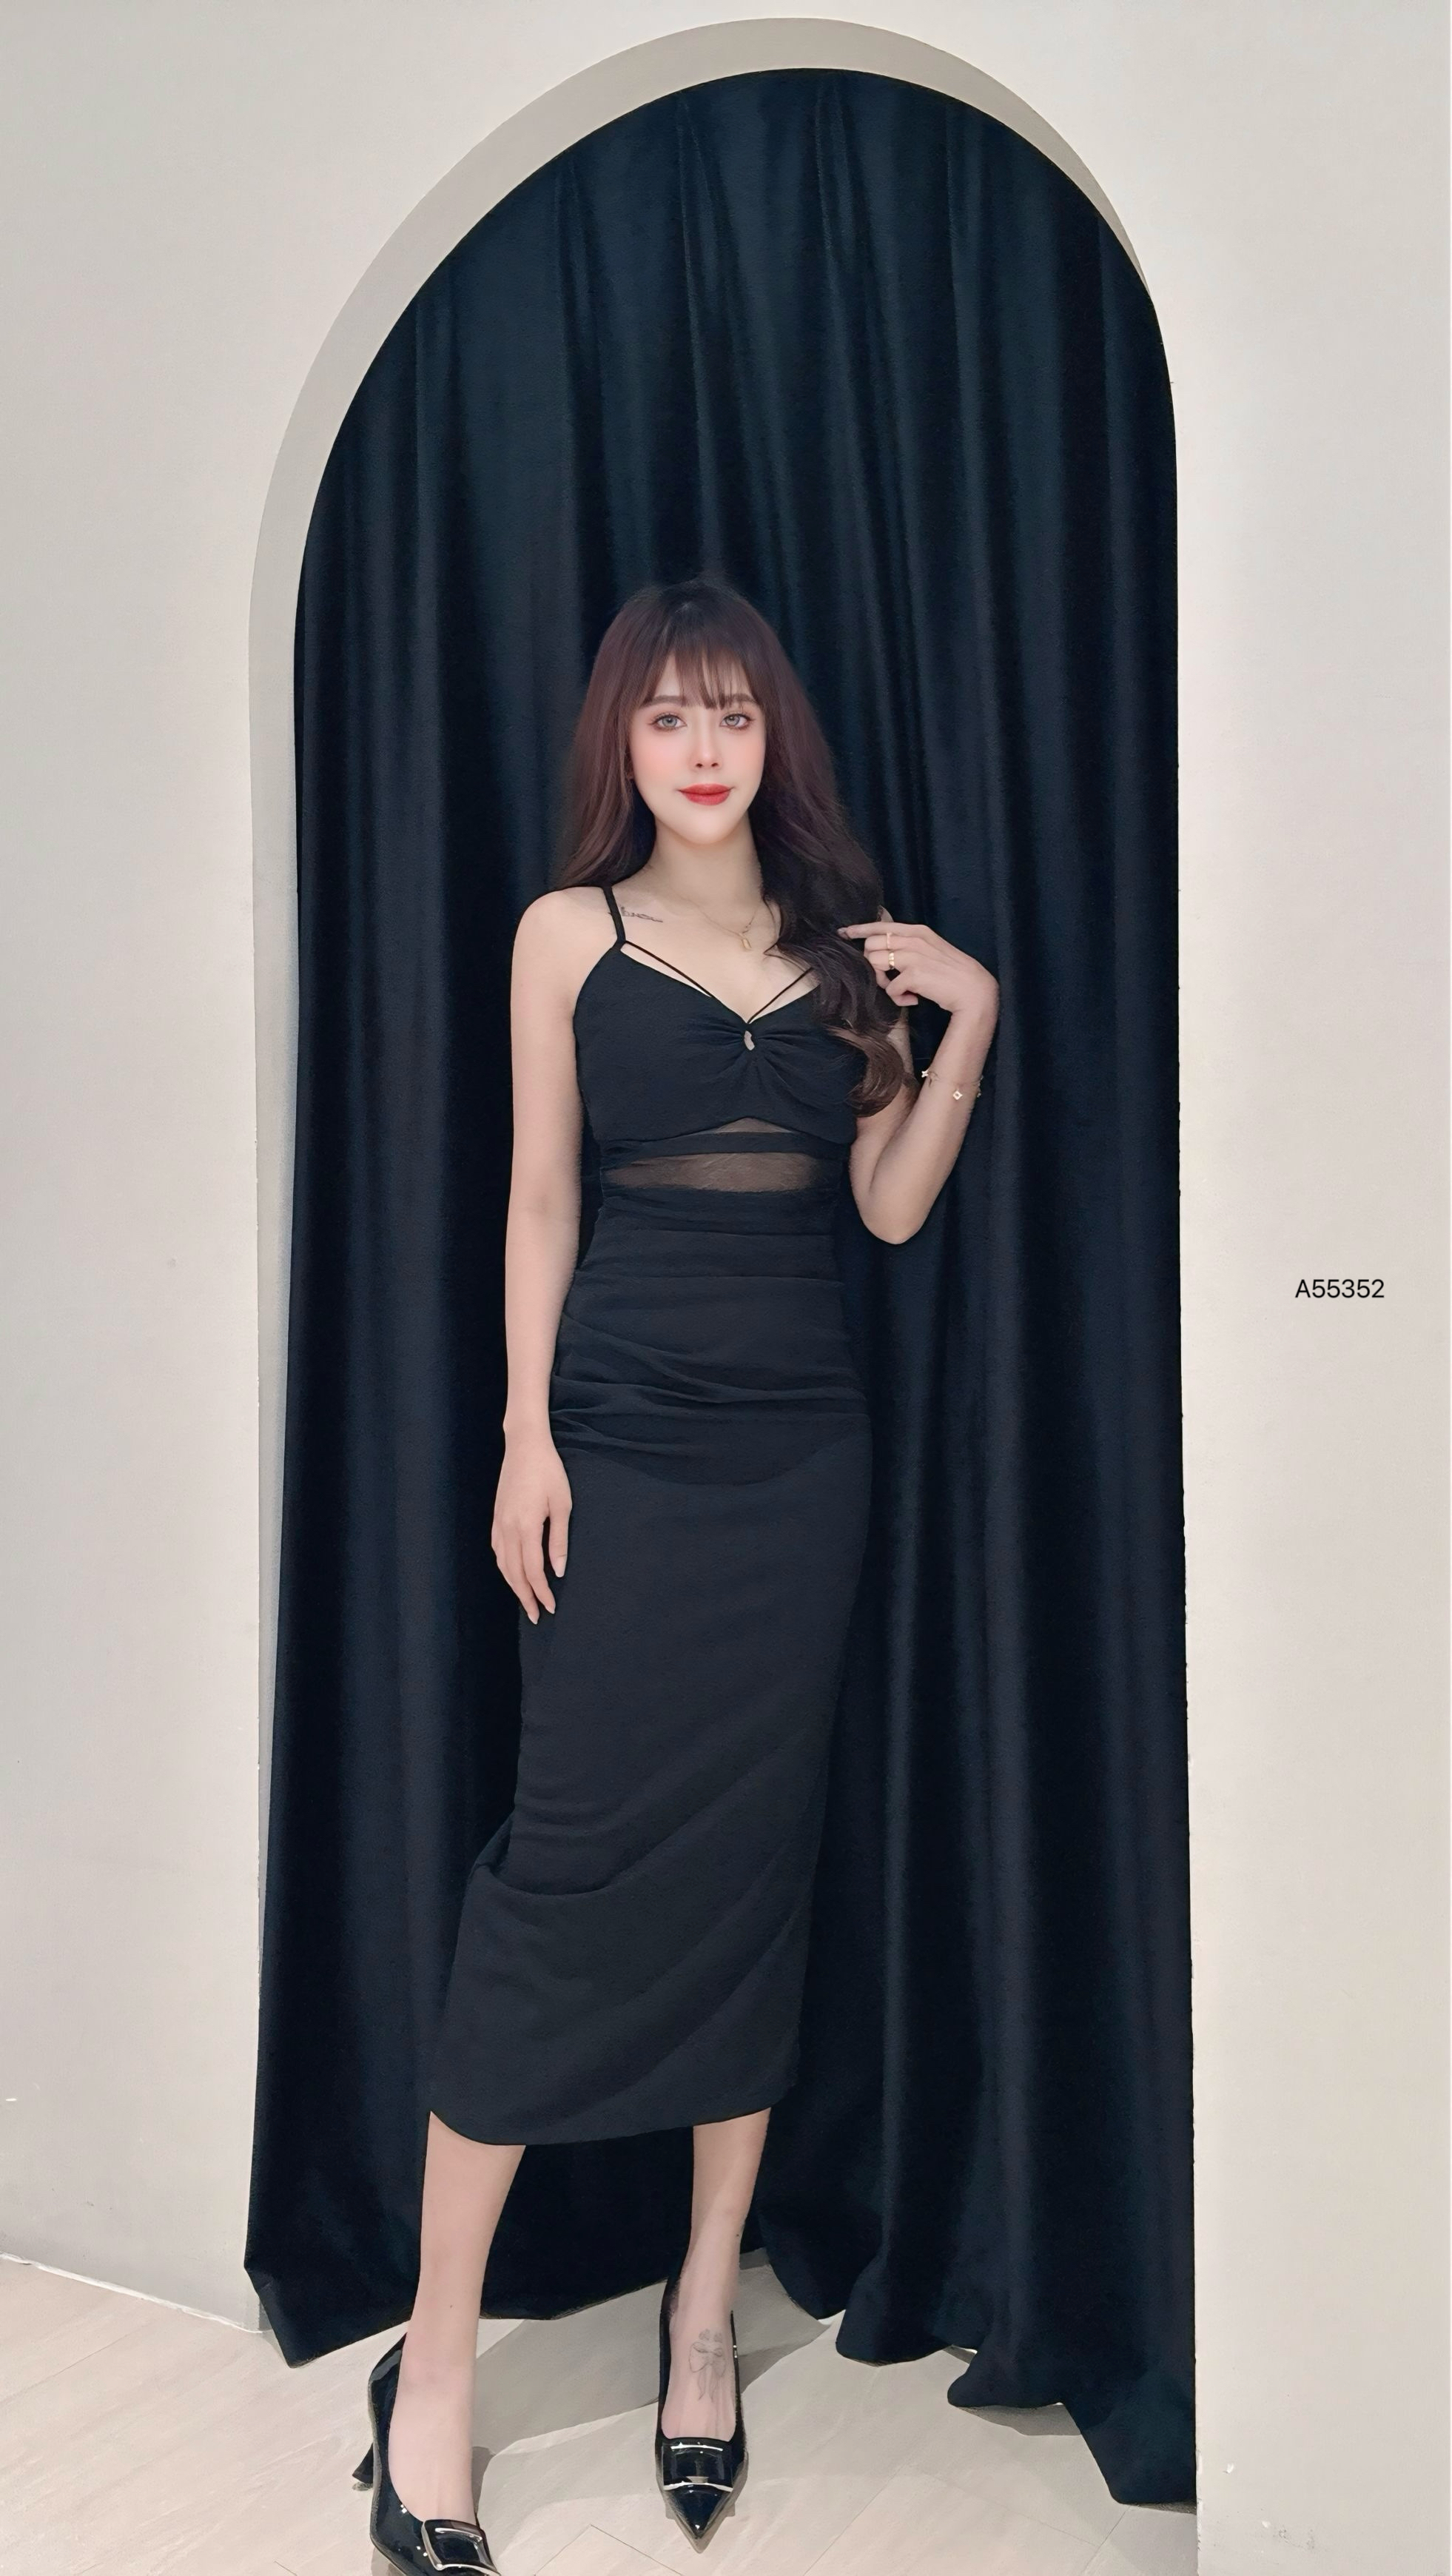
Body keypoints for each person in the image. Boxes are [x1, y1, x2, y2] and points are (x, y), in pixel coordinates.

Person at [353, 576, 1000, 2574]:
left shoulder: (839, 950)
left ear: (769, 736)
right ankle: (433, 2369)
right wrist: (523, 1433)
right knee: (565, 1868)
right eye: (665, 718)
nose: (701, 748)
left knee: (752, 1863)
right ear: (621, 746)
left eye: (729, 714)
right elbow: (540, 1195)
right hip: (621, 1442)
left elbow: (885, 1211)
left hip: (801, 1463)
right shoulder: (569, 932)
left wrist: (969, 1022)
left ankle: (703, 2309)